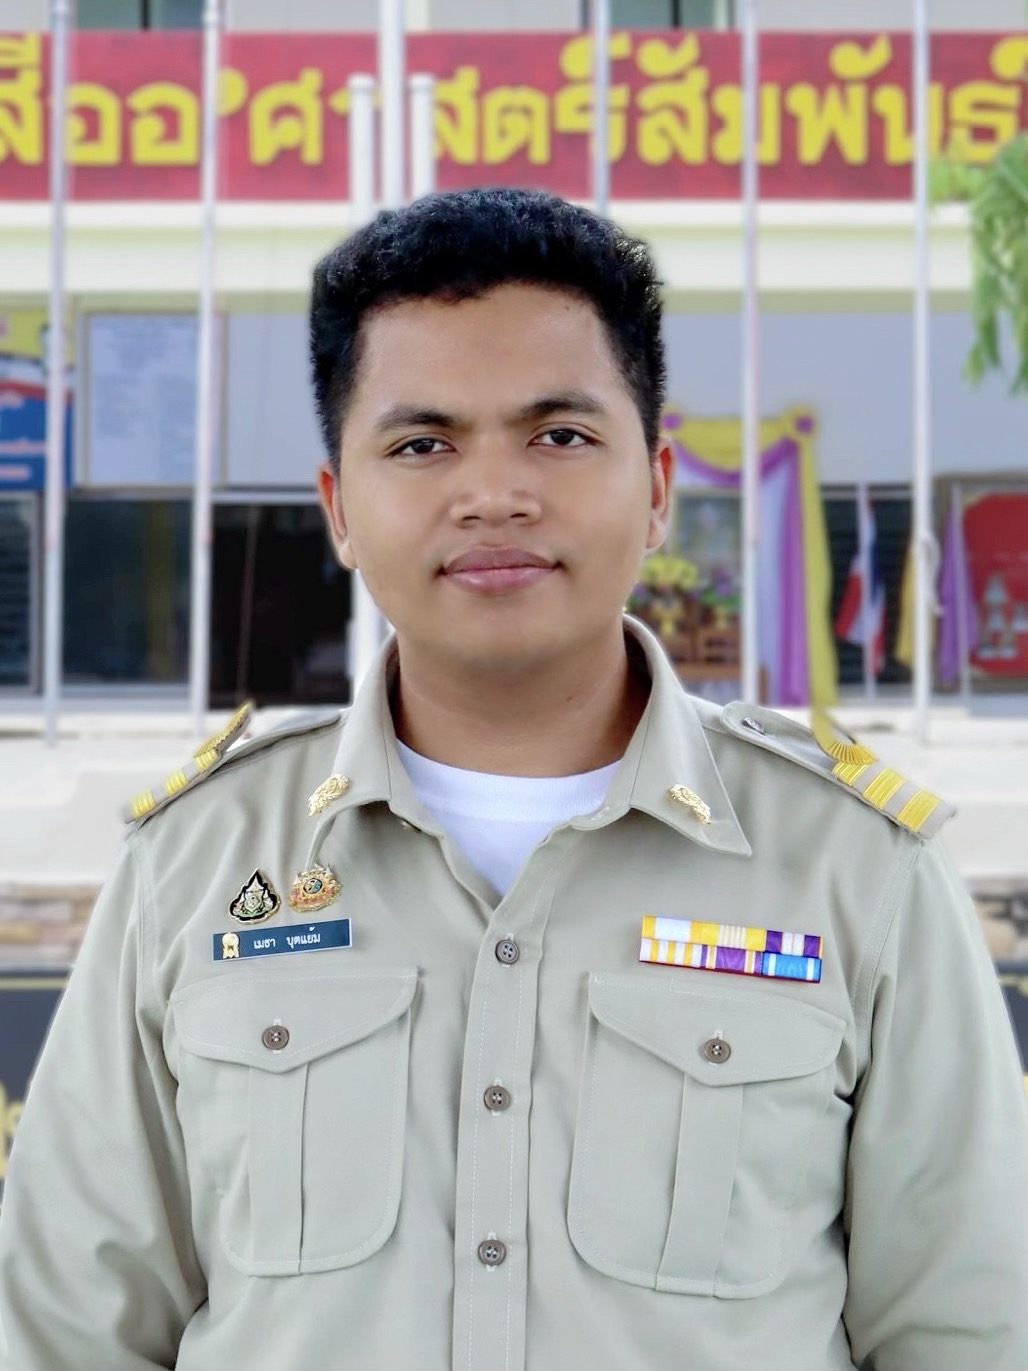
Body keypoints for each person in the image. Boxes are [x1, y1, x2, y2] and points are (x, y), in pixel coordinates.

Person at [0, 187, 1025, 1371]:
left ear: (656, 488)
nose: (493, 494)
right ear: (338, 509)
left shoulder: (851, 866)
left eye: (559, 435)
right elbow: (69, 1331)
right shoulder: (200, 862)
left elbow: (967, 1329)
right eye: (421, 444)